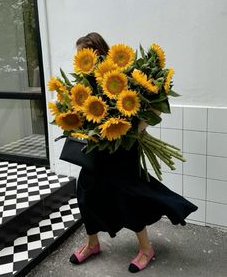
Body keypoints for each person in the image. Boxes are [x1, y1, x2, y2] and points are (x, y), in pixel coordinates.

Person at [69, 32, 198, 273]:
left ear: (97, 53)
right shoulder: (85, 84)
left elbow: (152, 106)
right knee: (86, 192)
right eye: (79, 57)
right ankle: (92, 244)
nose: (81, 60)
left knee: (128, 195)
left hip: (124, 150)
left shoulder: (123, 73)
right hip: (98, 149)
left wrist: (136, 128)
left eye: (85, 55)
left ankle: (146, 248)